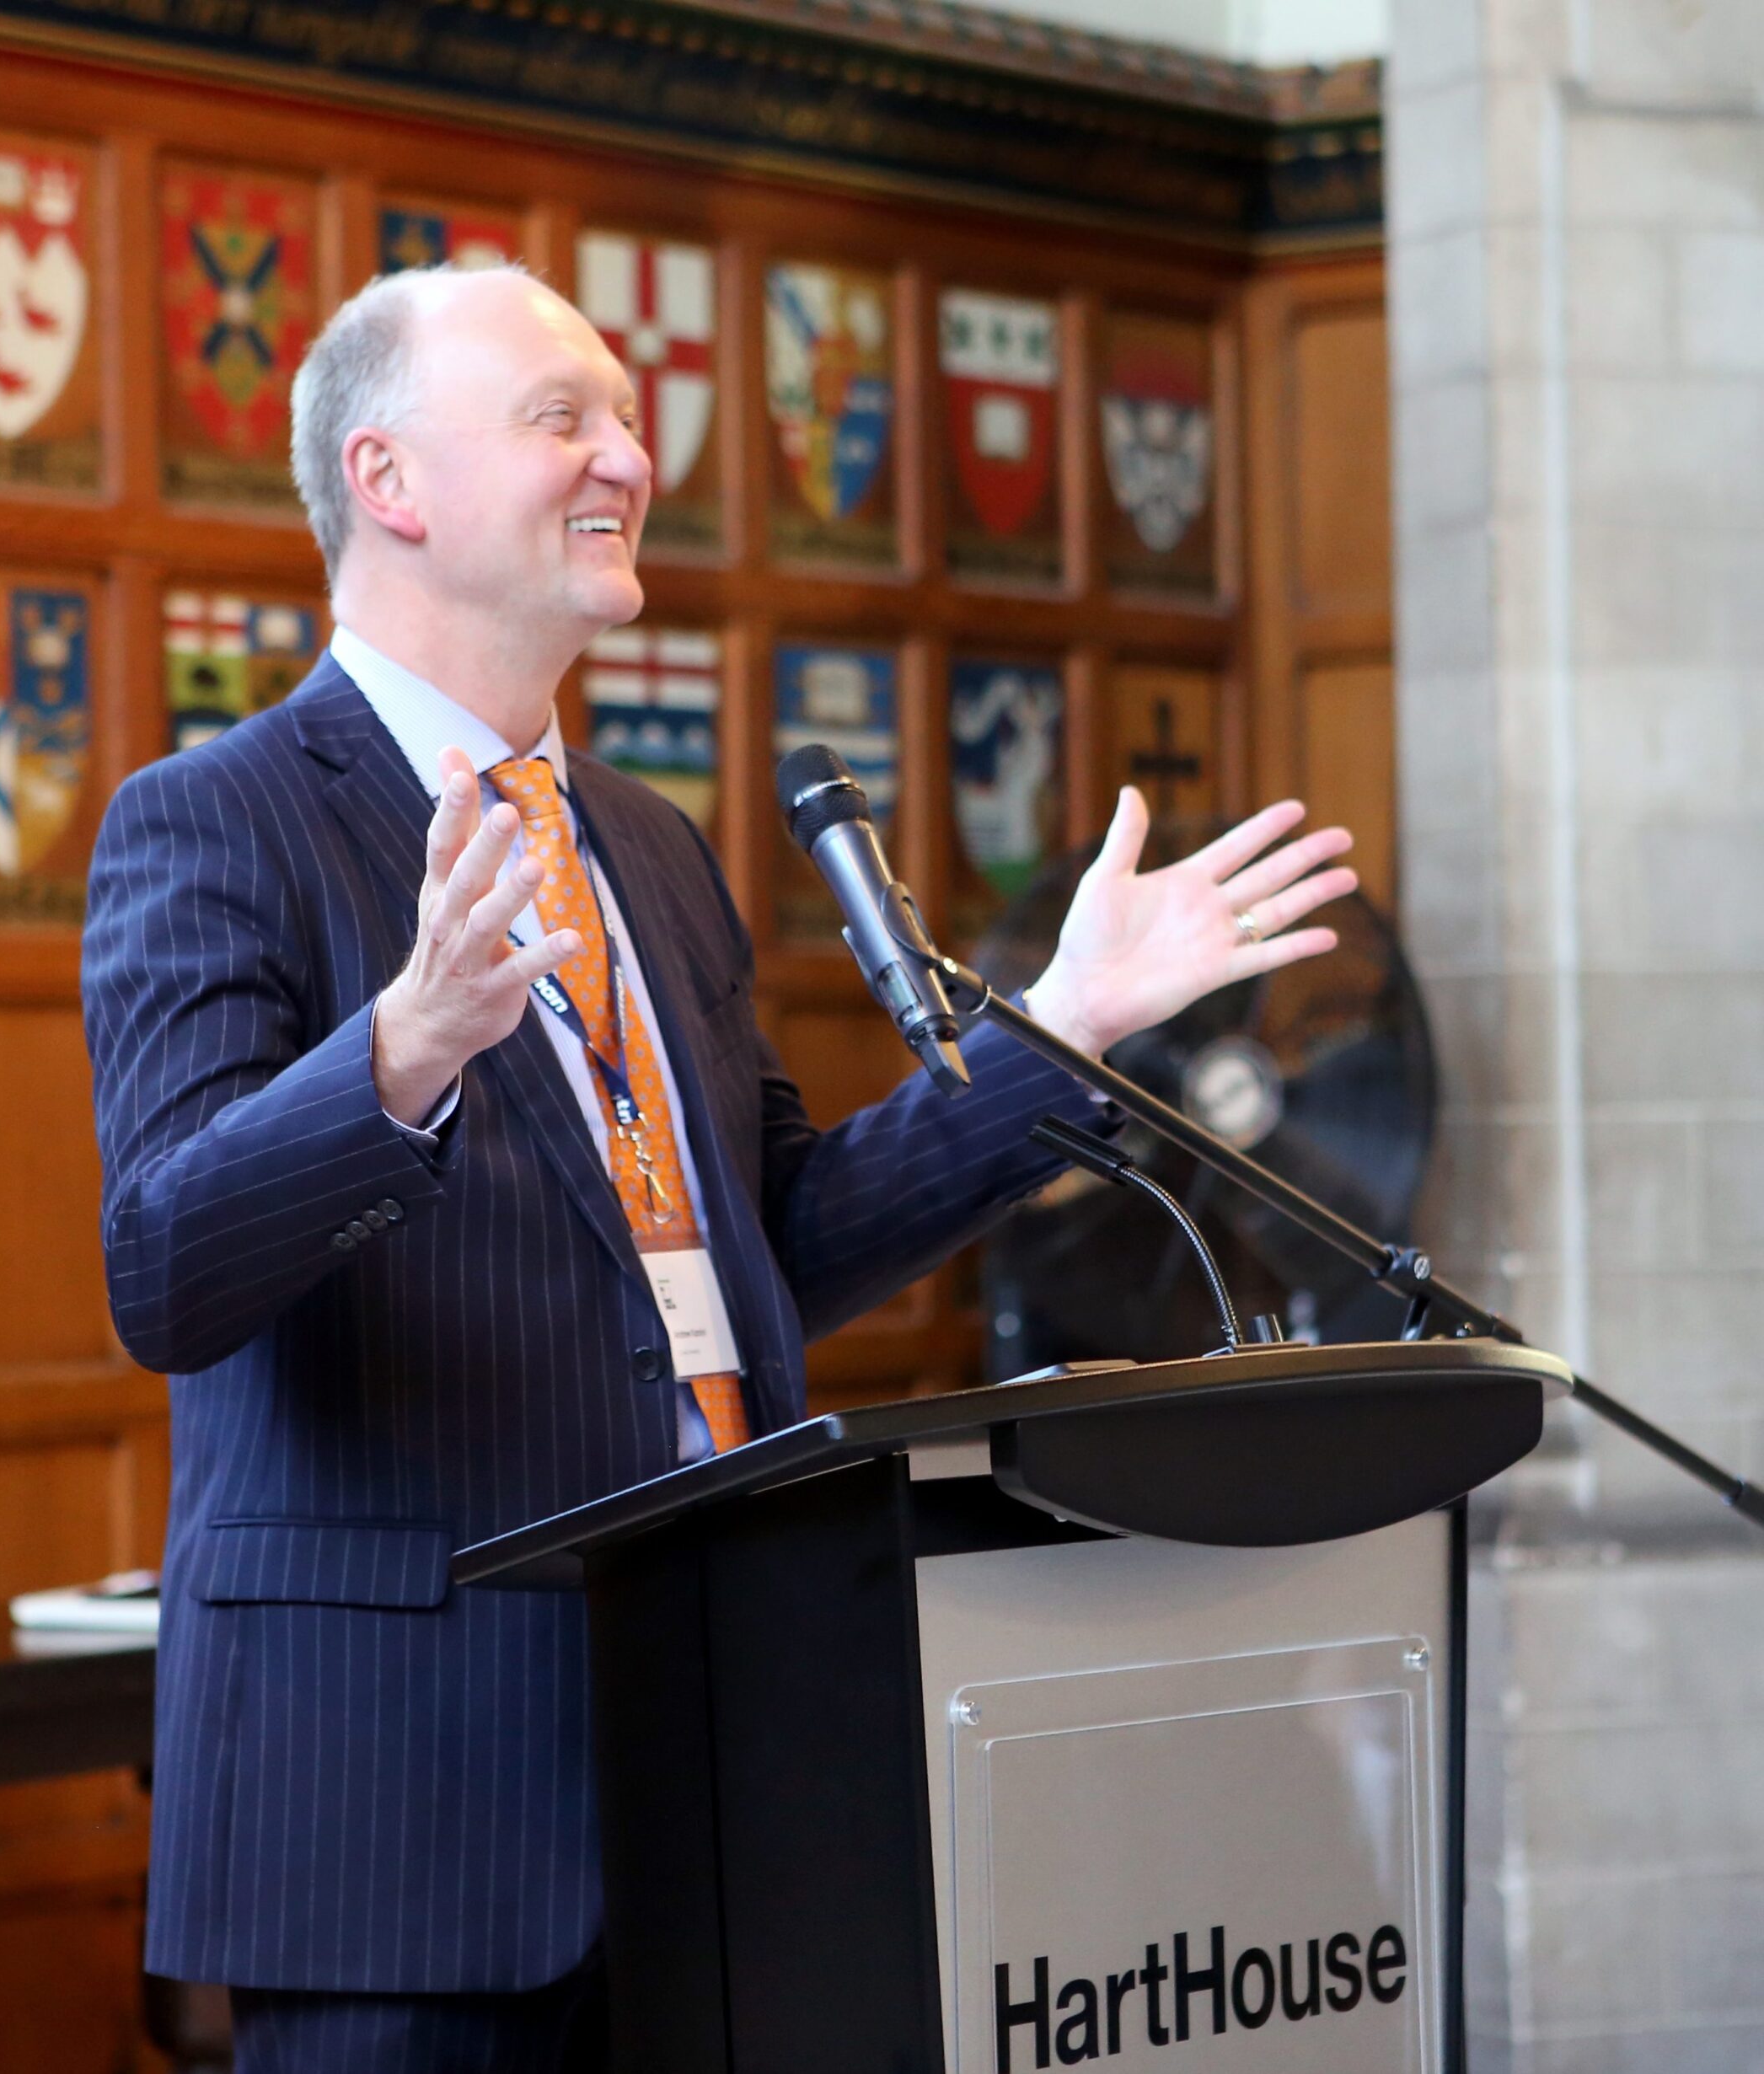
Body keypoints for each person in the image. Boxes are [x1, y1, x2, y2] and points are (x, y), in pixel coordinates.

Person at [81, 263, 1356, 2073]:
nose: (628, 456)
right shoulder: (216, 818)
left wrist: (1064, 1025)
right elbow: (164, 1269)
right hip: (408, 1797)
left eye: (625, 414)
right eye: (563, 417)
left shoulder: (648, 846)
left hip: (717, 1759)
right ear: (389, 479)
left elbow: (774, 1244)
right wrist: (400, 1052)